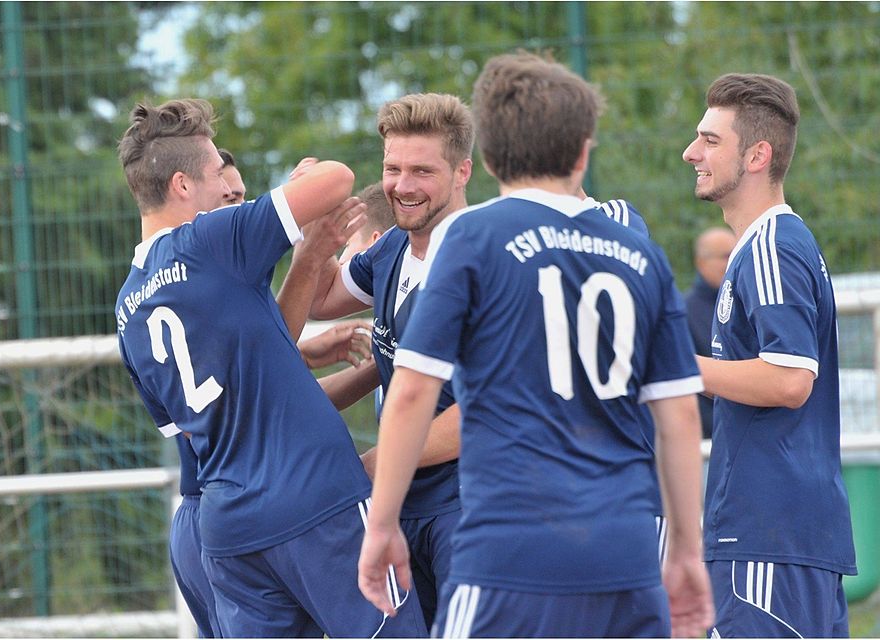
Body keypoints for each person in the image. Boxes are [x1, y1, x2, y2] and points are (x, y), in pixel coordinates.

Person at [357, 53, 713, 638]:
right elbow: (677, 417)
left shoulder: (470, 238)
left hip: (509, 547)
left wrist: (382, 524)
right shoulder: (639, 254)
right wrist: (686, 552)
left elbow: (413, 393)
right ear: (582, 152)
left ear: (487, 160)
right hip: (623, 547)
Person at [115, 98, 425, 637]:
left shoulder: (126, 308)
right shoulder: (208, 241)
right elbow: (338, 178)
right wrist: (304, 177)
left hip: (229, 530)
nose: (231, 193)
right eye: (220, 177)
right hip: (315, 501)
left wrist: (370, 360)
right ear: (184, 185)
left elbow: (230, 408)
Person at [683, 73, 856, 637]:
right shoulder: (764, 246)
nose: (691, 152)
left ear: (757, 155)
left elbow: (789, 380)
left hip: (768, 537)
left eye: (710, 140)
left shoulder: (770, 246)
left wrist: (670, 369)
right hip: (781, 539)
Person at [307, 92, 473, 631]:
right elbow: (320, 297)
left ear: (463, 170)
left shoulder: (483, 260)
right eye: (392, 168)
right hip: (403, 511)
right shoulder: (392, 251)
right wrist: (311, 227)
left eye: (422, 171)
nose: (402, 185)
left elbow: (483, 415)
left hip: (470, 509)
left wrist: (372, 467)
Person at [683, 227, 736, 439]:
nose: (731, 262)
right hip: (707, 440)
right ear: (701, 263)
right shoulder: (683, 312)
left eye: (735, 254)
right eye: (725, 256)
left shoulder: (747, 304)